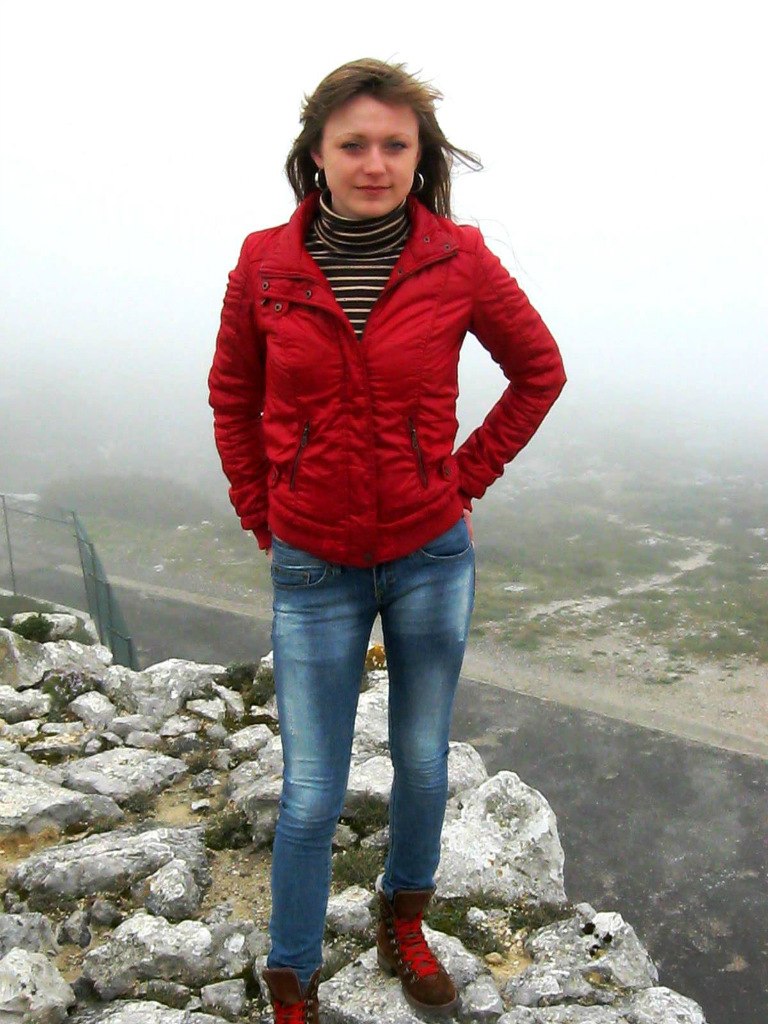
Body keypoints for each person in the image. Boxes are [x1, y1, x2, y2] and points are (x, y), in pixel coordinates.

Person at [208, 57, 566, 1023]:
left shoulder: (460, 259)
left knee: (422, 761)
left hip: (428, 556)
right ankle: (292, 978)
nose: (375, 162)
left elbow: (540, 371)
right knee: (310, 793)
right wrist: (261, 510)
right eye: (354, 144)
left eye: (395, 145)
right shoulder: (265, 263)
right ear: (317, 155)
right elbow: (234, 397)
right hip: (312, 563)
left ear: (420, 155)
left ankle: (402, 922)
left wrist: (464, 477)